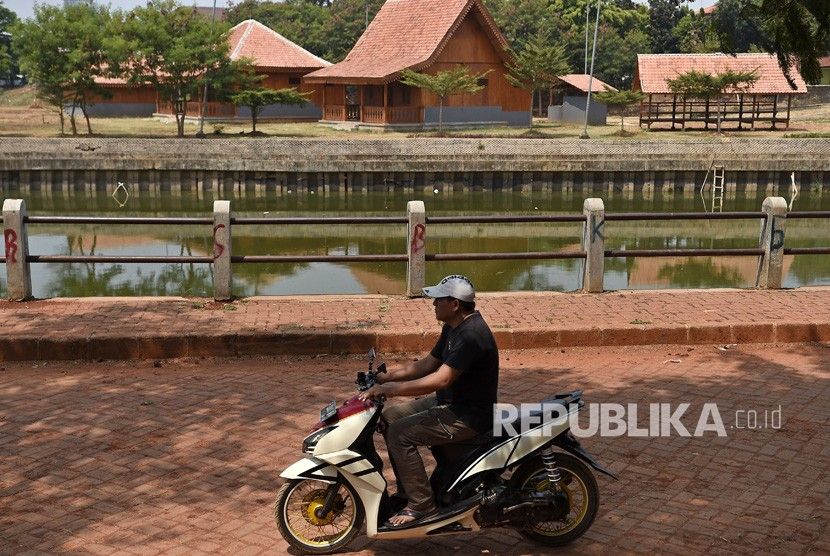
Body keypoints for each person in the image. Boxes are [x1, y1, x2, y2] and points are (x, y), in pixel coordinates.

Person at [358, 274, 499, 527]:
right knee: (390, 418)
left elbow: (440, 380)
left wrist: (391, 390)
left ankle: (421, 505)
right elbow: (427, 364)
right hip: (450, 404)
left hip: (467, 416)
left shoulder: (471, 335)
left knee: (401, 433)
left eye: (438, 300)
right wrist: (387, 377)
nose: (433, 304)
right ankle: (407, 492)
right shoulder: (453, 327)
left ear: (454, 304)